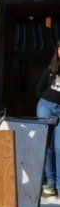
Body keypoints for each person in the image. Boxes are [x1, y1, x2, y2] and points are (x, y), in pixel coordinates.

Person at [36, 41, 60, 197]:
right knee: (48, 146)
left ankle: (59, 184)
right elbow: (39, 89)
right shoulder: (51, 68)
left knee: (59, 146)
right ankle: (51, 184)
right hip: (46, 106)